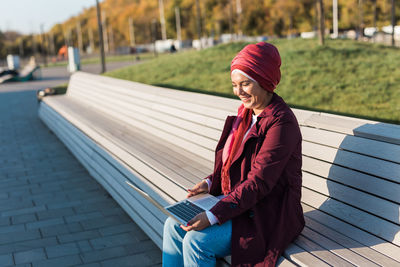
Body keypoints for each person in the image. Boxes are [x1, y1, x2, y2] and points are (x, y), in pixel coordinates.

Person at [162, 42, 305, 267]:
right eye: (234, 85)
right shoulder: (246, 115)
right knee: (172, 226)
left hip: (267, 212)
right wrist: (211, 182)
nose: (239, 92)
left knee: (197, 241)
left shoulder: (281, 123)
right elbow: (235, 165)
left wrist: (212, 216)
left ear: (265, 80)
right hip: (243, 202)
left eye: (245, 84)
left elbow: (258, 182)